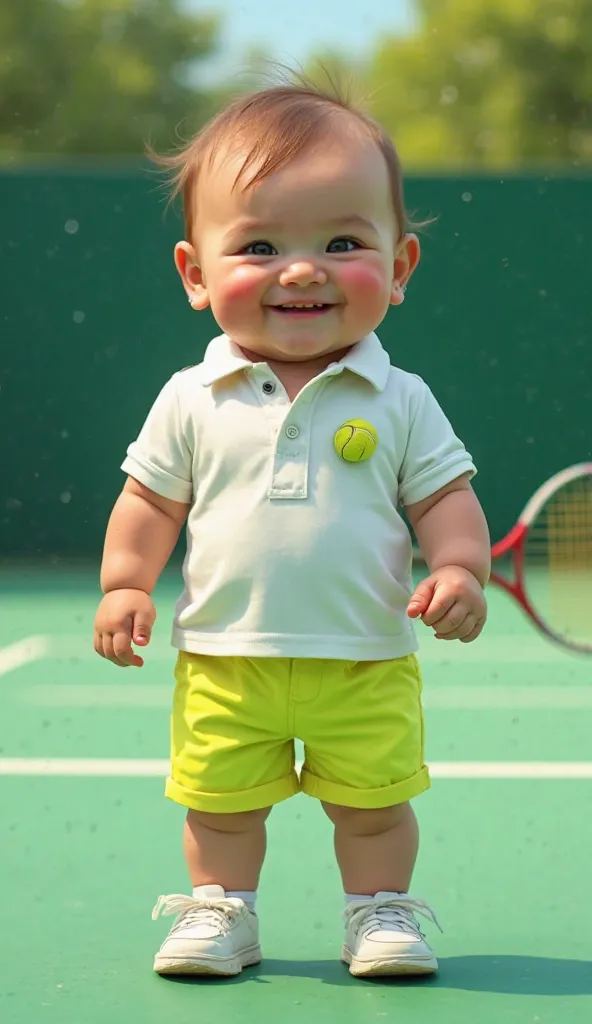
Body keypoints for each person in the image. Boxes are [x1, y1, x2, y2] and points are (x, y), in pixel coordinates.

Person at [93, 79, 490, 979]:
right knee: (219, 806)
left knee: (376, 806)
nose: (302, 269)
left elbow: (444, 499)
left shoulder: (402, 398)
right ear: (196, 273)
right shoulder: (190, 397)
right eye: (261, 245)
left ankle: (380, 913)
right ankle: (222, 911)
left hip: (366, 659)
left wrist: (460, 566)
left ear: (400, 267)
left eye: (343, 242)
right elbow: (152, 501)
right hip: (226, 657)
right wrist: (125, 581)